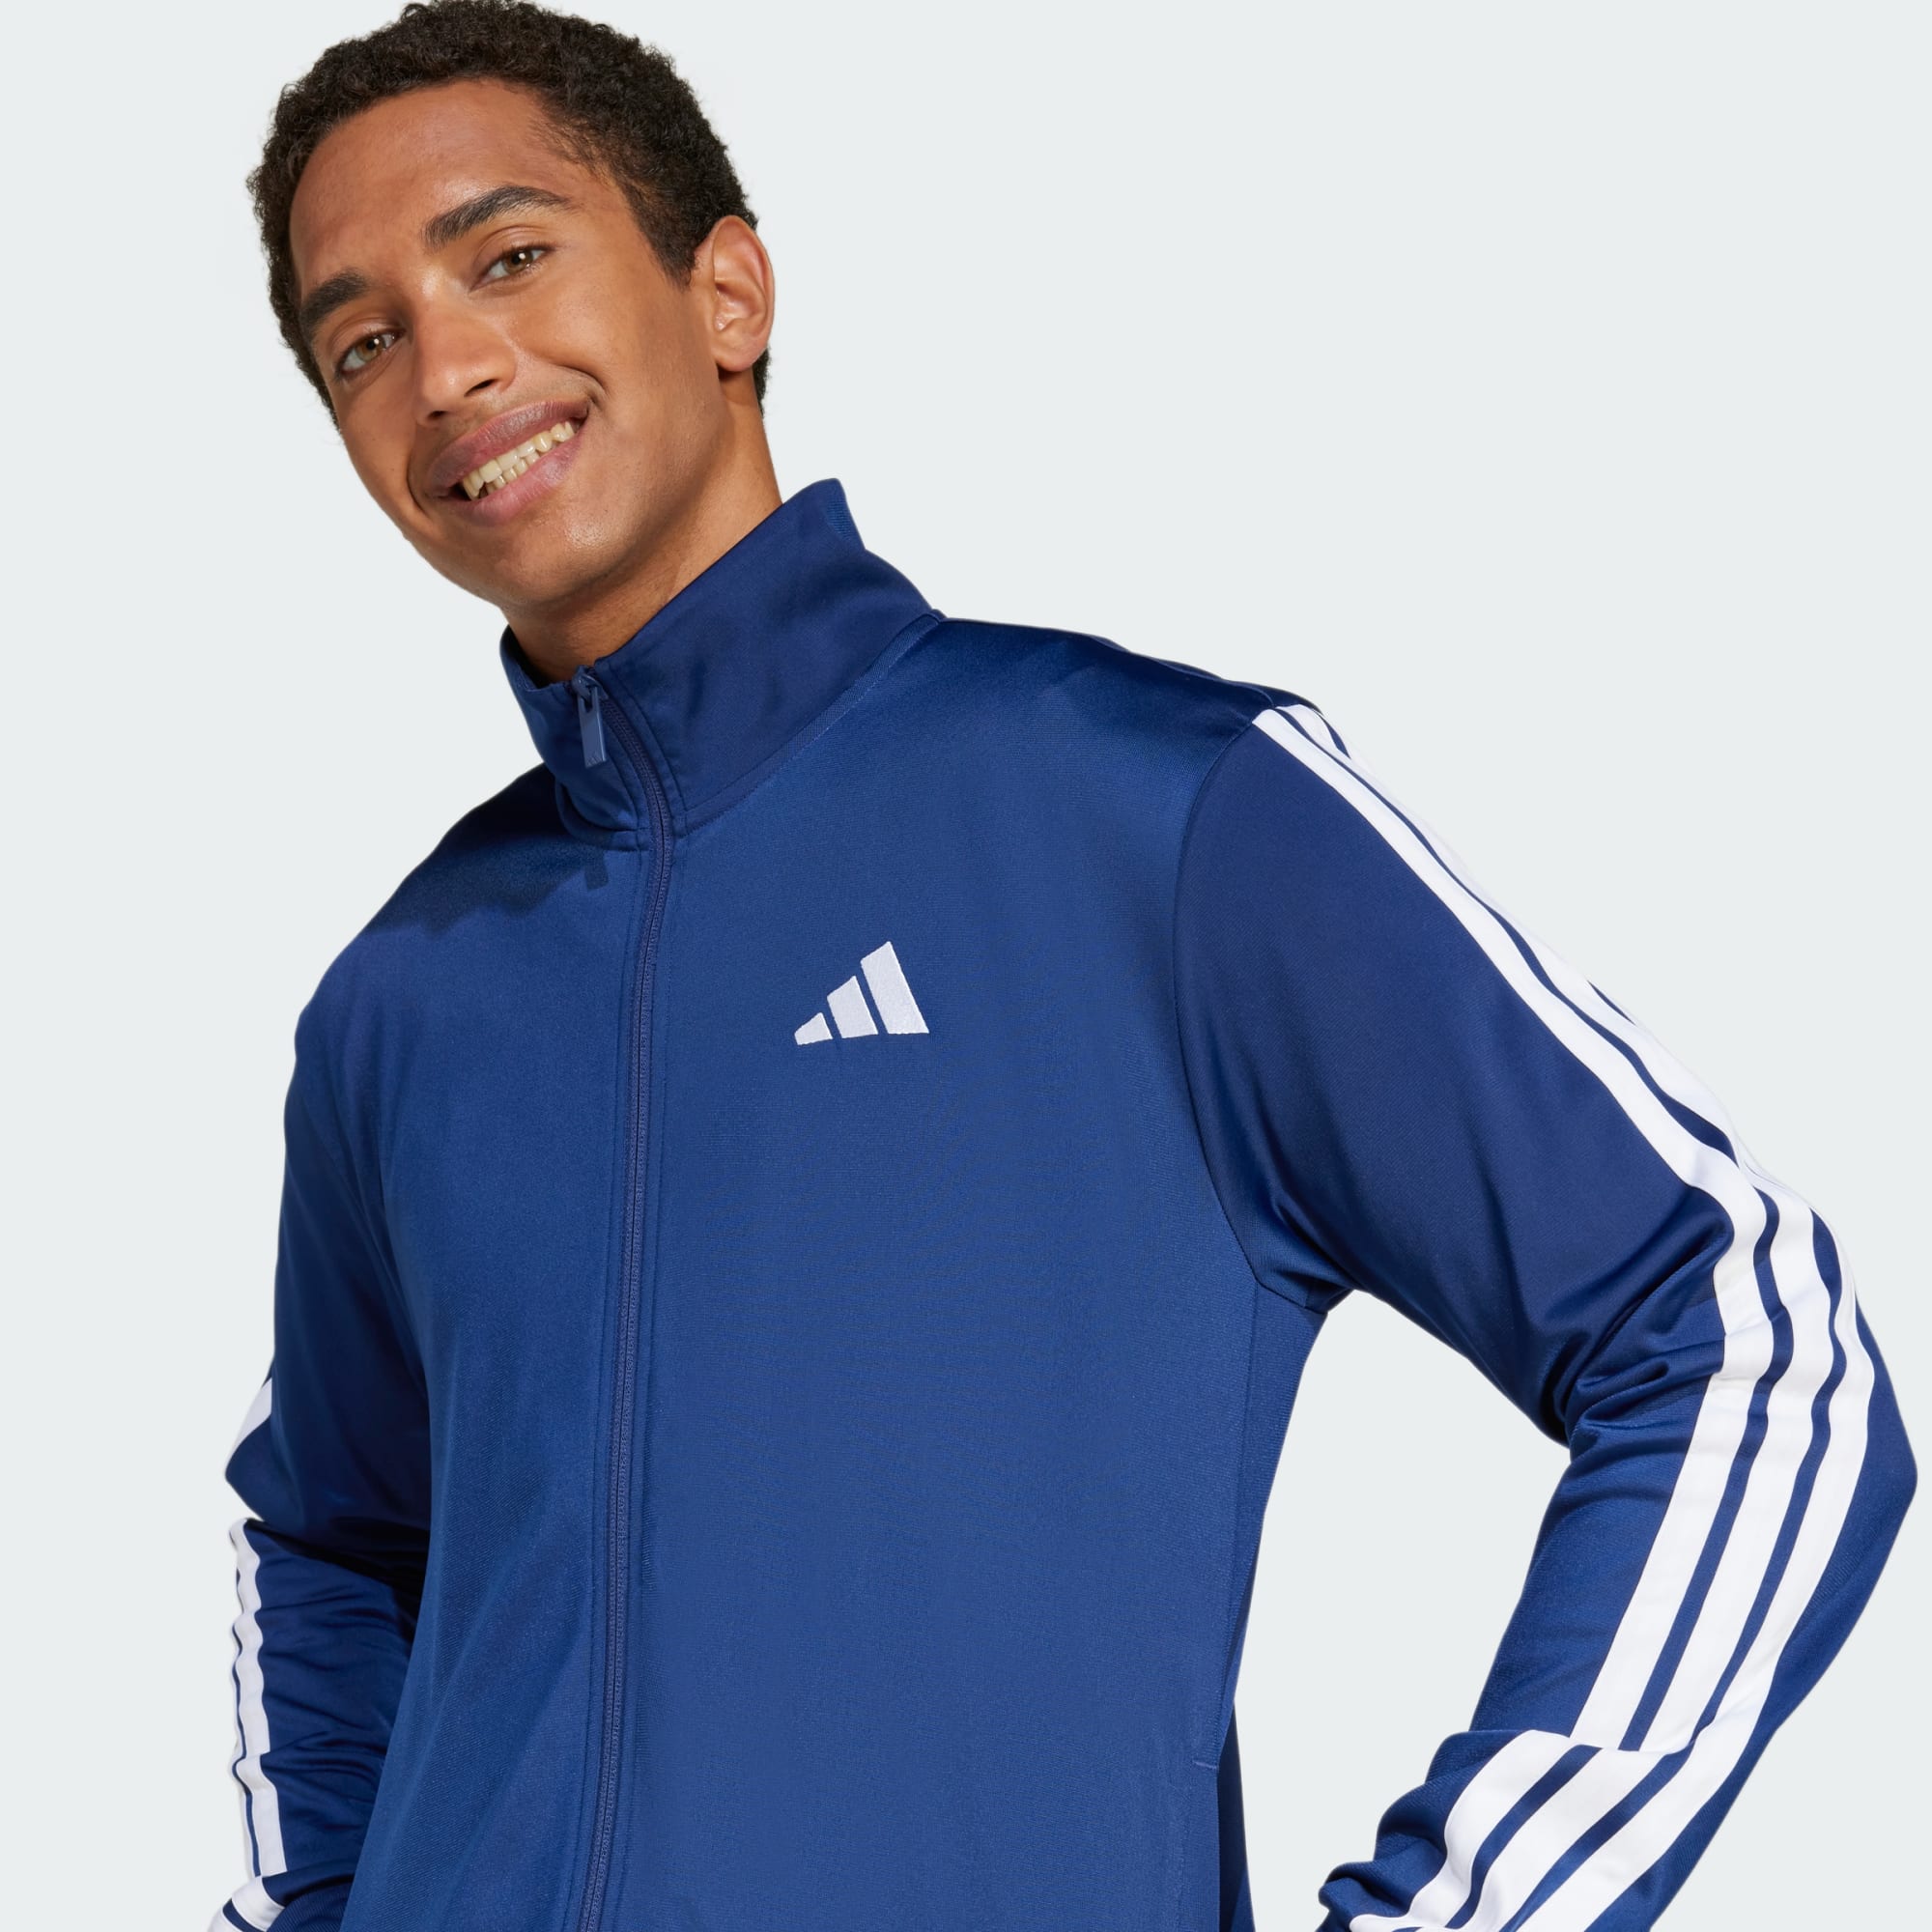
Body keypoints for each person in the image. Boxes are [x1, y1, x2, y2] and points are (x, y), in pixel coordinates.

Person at [211, 4, 1914, 1930]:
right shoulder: (406, 999)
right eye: (362, 343)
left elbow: (1748, 1338)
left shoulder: (1154, 817)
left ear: (728, 293)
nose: (445, 365)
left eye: (508, 254)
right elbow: (333, 1540)